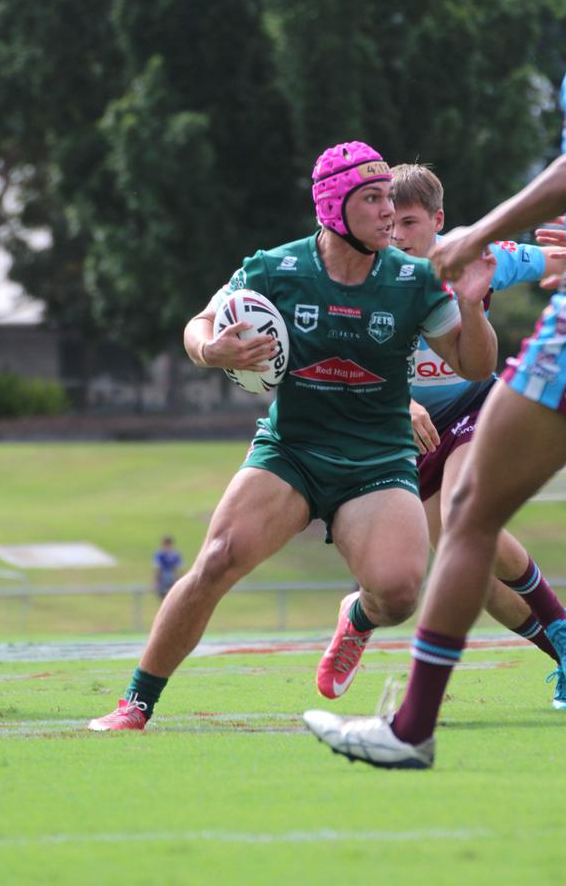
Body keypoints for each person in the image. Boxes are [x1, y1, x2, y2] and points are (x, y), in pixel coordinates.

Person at [303, 0, 566, 769]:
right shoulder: (342, 272)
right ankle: (387, 629)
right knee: (424, 544)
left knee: (470, 512)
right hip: (389, 433)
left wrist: (487, 240)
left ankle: (413, 727)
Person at [88, 139, 497, 731]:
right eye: (374, 198)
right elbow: (199, 324)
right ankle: (135, 703)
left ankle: (357, 615)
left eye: (391, 199)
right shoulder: (275, 269)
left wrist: (474, 307)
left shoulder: (414, 279)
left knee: (400, 592)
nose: (389, 211)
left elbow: (475, 366)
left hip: (378, 461)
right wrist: (211, 347)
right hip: (292, 452)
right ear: (334, 207)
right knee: (217, 560)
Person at [315, 163, 566, 711]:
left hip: (472, 409)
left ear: (438, 222)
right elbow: (336, 360)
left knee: (467, 520)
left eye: (410, 223)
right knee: (463, 574)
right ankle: (562, 657)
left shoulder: (479, 255)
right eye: (389, 222)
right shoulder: (361, 274)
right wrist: (403, 402)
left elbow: (560, 262)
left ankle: (562, 626)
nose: (396, 235)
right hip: (399, 431)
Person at [153, 536, 183, 601]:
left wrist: (179, 580)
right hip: (163, 579)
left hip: (172, 579)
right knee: (163, 599)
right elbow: (158, 569)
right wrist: (156, 581)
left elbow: (178, 569)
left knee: (173, 599)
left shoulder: (175, 555)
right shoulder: (160, 555)